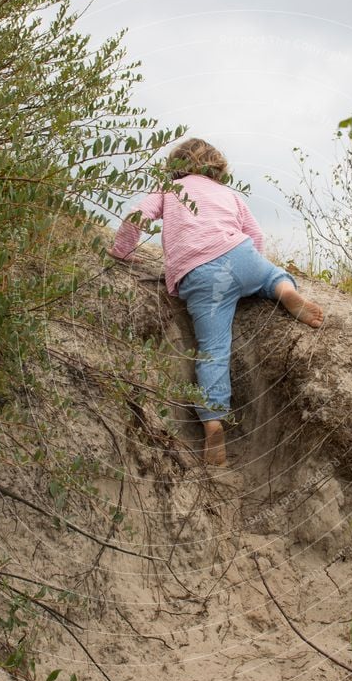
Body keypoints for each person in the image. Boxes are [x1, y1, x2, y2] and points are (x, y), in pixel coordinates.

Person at [107, 138, 324, 466]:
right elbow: (257, 236)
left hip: (201, 275)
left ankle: (212, 422)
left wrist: (121, 250)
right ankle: (282, 291)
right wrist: (247, 272)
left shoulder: (169, 188)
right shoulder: (228, 194)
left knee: (212, 351)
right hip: (242, 254)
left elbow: (138, 215)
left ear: (175, 167)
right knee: (271, 276)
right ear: (217, 167)